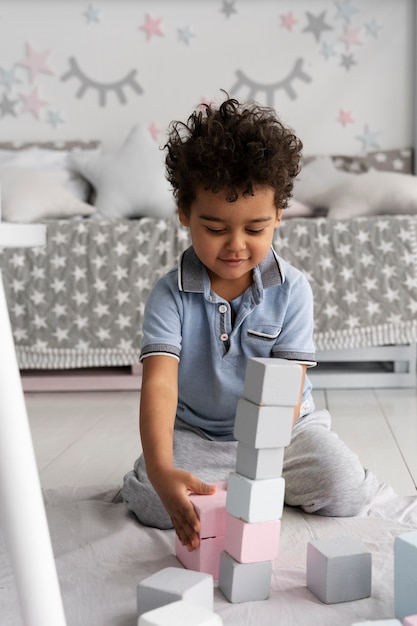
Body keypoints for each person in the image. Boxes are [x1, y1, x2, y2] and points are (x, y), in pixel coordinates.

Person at [122, 96, 379, 551]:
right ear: (185, 213)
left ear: (279, 214)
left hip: (285, 434)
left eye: (255, 229)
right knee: (152, 502)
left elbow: (285, 394)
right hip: (200, 434)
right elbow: (160, 386)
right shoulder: (169, 294)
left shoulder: (293, 290)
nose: (236, 246)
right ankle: (213, 482)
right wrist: (162, 470)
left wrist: (262, 467)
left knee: (346, 490)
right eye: (216, 229)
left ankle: (245, 486)